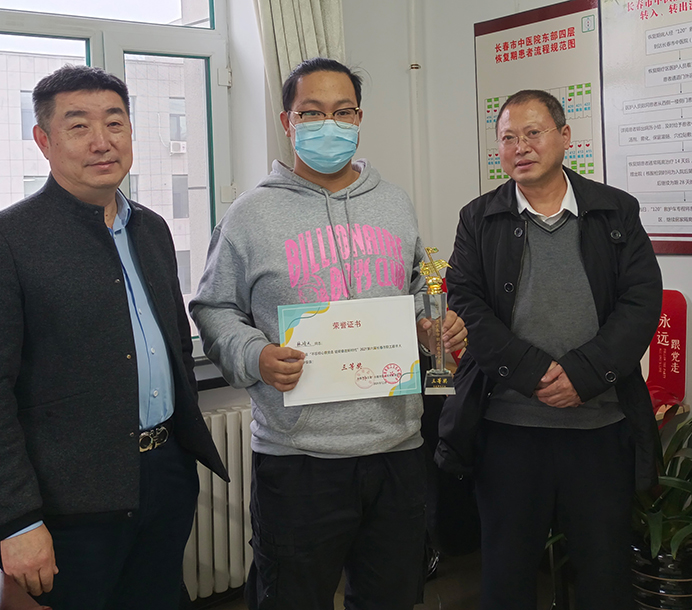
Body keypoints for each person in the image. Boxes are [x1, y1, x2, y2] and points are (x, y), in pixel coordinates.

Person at [189, 57, 466, 610]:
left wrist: (435, 322)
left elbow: (417, 287)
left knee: (391, 597)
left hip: (397, 446)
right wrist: (255, 354)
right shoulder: (250, 214)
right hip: (299, 457)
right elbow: (213, 307)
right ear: (288, 121)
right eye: (311, 113)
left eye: (342, 111)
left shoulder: (394, 203)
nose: (328, 124)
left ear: (359, 118)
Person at [0, 64, 227, 610]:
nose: (102, 141)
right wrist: (18, 520)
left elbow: (173, 343)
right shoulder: (3, 241)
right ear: (43, 141)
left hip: (165, 475)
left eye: (115, 123)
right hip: (67, 503)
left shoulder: (151, 229)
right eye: (78, 126)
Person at [439, 89, 663, 610]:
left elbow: (640, 302)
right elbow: (466, 301)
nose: (520, 147)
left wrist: (583, 374)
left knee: (604, 575)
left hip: (599, 427)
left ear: (564, 136)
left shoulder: (615, 210)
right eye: (508, 138)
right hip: (508, 430)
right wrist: (532, 372)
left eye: (533, 133)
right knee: (507, 575)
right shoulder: (479, 218)